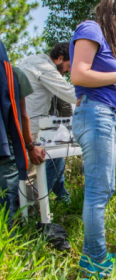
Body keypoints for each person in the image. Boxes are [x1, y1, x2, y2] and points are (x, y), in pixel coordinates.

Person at [69, 0, 116, 276]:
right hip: (95, 112)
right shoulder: (91, 28)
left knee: (105, 187)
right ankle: (97, 260)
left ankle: (92, 257)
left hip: (104, 114)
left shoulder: (107, 41)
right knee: (99, 191)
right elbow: (78, 73)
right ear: (115, 17)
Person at [18, 42, 76, 200]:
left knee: (53, 164)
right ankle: (32, 214)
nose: (70, 70)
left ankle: (40, 205)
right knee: (32, 174)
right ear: (60, 58)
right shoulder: (45, 66)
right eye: (69, 65)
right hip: (32, 129)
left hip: (31, 125)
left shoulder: (32, 60)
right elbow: (70, 93)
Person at [0, 40, 45, 225]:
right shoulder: (13, 74)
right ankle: (7, 246)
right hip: (5, 147)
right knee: (6, 200)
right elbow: (22, 116)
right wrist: (30, 146)